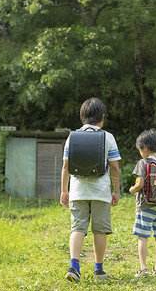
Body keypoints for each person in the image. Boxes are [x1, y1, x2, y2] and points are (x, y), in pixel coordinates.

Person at [60, 97, 121, 282]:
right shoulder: (107, 137)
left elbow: (65, 166)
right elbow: (115, 167)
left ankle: (74, 266)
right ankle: (99, 270)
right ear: (102, 117)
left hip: (77, 191)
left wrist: (64, 190)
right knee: (99, 231)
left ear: (82, 117)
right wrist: (116, 190)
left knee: (78, 228)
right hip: (100, 192)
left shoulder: (73, 136)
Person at [129, 129, 156, 277]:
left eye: (140, 149)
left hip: (145, 206)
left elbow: (140, 184)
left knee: (142, 236)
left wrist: (132, 190)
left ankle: (143, 268)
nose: (140, 152)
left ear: (145, 147)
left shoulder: (143, 163)